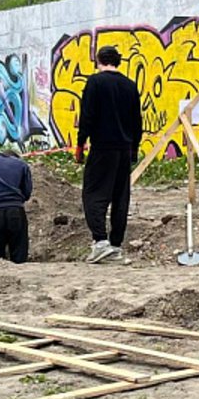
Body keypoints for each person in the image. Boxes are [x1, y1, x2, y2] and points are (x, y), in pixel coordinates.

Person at [76, 45, 143, 264]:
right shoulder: (130, 85)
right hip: (124, 149)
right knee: (120, 196)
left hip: (102, 148)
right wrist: (134, 148)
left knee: (93, 194)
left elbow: (87, 116)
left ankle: (100, 242)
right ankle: (115, 245)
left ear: (99, 61)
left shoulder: (95, 82)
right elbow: (137, 121)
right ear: (118, 61)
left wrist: (80, 145)